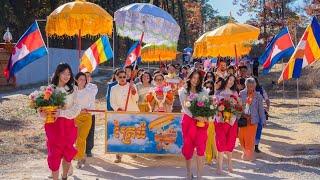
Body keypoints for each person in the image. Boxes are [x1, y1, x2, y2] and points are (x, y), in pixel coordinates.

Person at [40, 63, 81, 180]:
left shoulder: (73, 89)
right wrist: (41, 113)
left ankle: (64, 176)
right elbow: (42, 107)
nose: (67, 76)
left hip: (68, 125)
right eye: (64, 73)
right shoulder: (50, 89)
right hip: (53, 126)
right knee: (54, 154)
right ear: (58, 73)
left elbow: (77, 108)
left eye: (69, 74)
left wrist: (61, 113)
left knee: (68, 153)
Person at [179, 70, 208, 179]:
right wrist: (197, 116)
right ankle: (189, 172)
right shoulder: (183, 91)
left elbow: (207, 106)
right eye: (193, 78)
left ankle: (200, 175)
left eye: (198, 78)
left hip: (201, 123)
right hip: (188, 122)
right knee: (188, 147)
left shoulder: (203, 91)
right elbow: (186, 107)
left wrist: (206, 115)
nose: (195, 80)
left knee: (201, 147)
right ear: (189, 78)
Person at [110, 70, 140, 163]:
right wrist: (118, 109)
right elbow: (112, 102)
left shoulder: (132, 85)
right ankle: (119, 155)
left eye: (124, 77)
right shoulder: (113, 88)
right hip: (120, 114)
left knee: (132, 132)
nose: (122, 79)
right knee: (120, 134)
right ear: (116, 77)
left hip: (132, 113)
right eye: (120, 77)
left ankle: (132, 151)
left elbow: (136, 99)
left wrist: (133, 91)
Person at [214, 75, 240, 174]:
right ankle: (219, 167)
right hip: (220, 121)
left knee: (230, 143)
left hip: (231, 122)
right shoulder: (218, 92)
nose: (231, 82)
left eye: (233, 81)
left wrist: (232, 117)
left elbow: (238, 108)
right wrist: (218, 110)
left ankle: (230, 164)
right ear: (226, 80)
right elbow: (214, 106)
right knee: (220, 143)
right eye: (230, 79)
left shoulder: (235, 93)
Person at [74, 72, 98, 168]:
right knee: (77, 138)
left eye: (84, 79)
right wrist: (78, 110)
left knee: (82, 138)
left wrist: (88, 111)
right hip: (76, 116)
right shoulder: (73, 92)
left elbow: (91, 104)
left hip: (87, 117)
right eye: (80, 79)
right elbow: (71, 105)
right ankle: (81, 155)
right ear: (76, 80)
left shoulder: (89, 91)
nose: (83, 81)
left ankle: (79, 158)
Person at [239, 78, 266, 161]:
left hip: (253, 120)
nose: (250, 87)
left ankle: (249, 155)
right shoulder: (241, 93)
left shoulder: (258, 95)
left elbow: (261, 109)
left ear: (255, 86)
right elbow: (238, 106)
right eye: (248, 86)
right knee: (241, 137)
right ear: (245, 85)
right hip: (243, 119)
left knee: (250, 139)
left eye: (252, 86)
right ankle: (245, 152)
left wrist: (263, 120)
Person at [254, 77, 270, 153]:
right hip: (250, 113)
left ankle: (256, 146)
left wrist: (268, 107)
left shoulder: (261, 89)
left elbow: (266, 98)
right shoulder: (245, 90)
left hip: (260, 112)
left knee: (259, 128)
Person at [84, 72, 98, 158]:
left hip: (90, 113)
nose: (86, 78)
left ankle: (88, 150)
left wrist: (83, 86)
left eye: (88, 77)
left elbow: (90, 95)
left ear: (91, 78)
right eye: (84, 77)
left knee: (90, 131)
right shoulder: (77, 87)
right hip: (79, 113)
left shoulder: (93, 87)